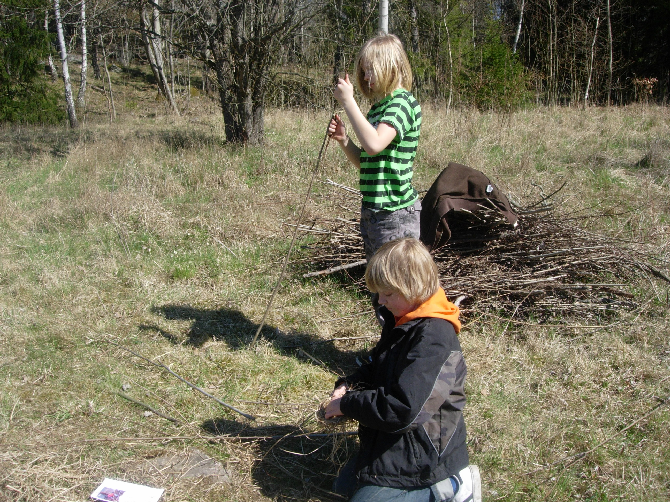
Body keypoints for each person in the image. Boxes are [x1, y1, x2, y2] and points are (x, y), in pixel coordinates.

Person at [324, 238, 481, 502]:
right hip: (396, 436)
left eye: (387, 294)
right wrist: (349, 385)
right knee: (342, 487)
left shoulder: (434, 336)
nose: (380, 301)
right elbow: (378, 364)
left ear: (413, 287)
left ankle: (454, 486)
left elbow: (403, 409)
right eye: (378, 293)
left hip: (425, 452)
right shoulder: (403, 318)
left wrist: (348, 405)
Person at [328, 33, 422, 262]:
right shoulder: (378, 109)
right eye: (363, 70)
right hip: (374, 211)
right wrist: (344, 140)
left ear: (391, 66)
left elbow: (373, 144)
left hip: (395, 213)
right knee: (381, 287)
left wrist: (348, 102)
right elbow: (367, 163)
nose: (366, 76)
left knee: (398, 287)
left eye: (370, 69)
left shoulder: (401, 104)